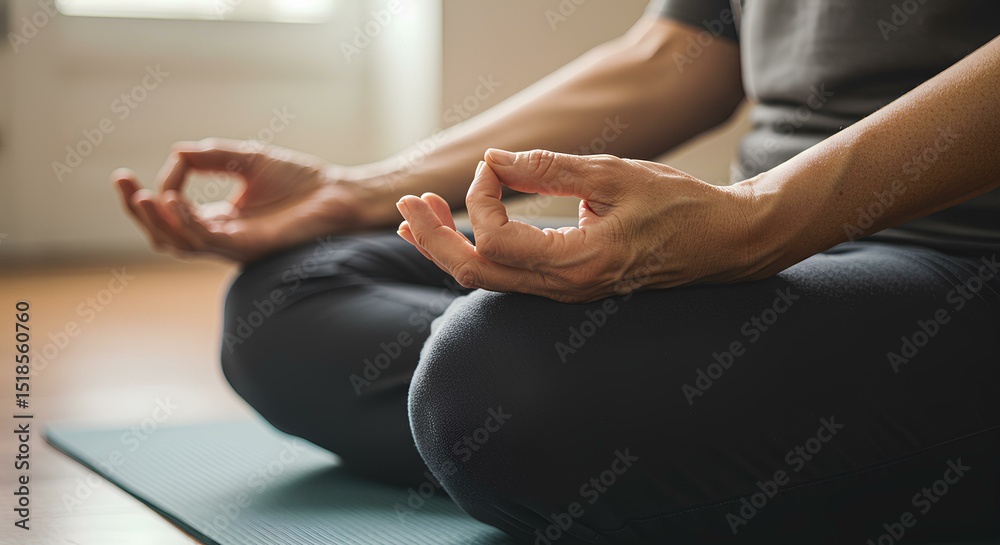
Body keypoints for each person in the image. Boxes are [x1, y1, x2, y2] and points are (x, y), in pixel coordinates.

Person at [113, 0, 1000, 542]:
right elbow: (674, 53)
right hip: (781, 252)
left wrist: (765, 221)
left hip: (965, 259)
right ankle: (564, 434)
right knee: (286, 301)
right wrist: (356, 190)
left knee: (494, 376)